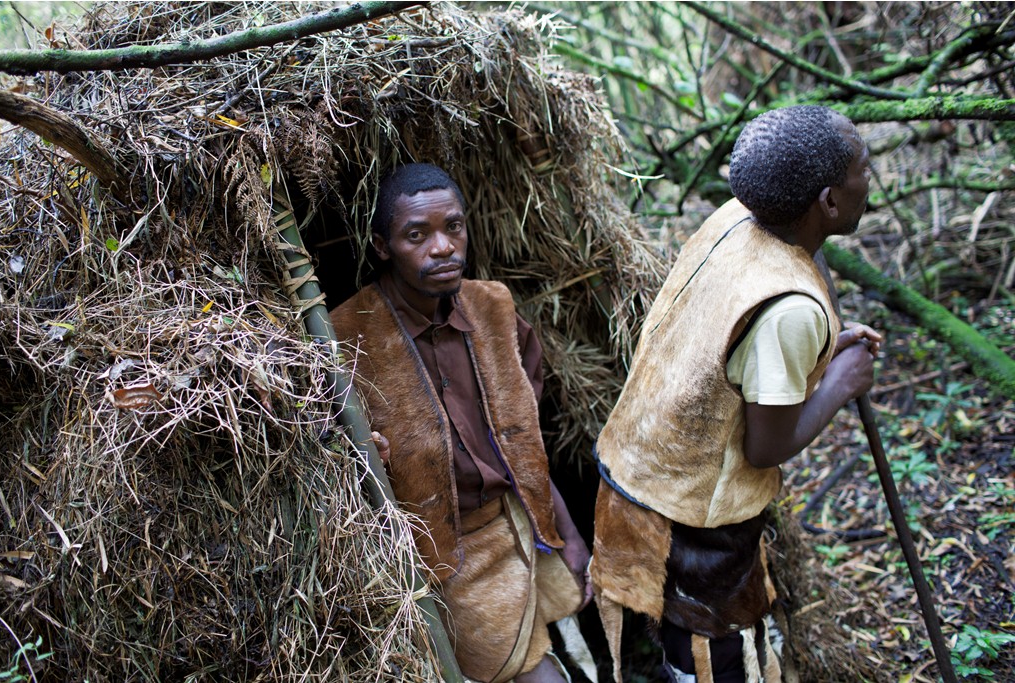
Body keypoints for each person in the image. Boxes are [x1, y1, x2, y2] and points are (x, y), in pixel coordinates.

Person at [590, 105, 882, 683]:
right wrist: (841, 383)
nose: (871, 181)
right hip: (695, 524)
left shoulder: (735, 219)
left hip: (640, 471)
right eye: (864, 169)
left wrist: (821, 354)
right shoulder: (790, 310)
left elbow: (738, 347)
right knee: (714, 660)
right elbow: (766, 448)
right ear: (828, 202)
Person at [330, 163, 592, 683]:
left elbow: (523, 443)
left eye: (453, 227)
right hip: (443, 558)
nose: (443, 247)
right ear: (382, 247)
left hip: (519, 527)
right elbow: (339, 470)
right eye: (417, 235)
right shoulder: (346, 338)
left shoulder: (493, 309)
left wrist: (567, 531)